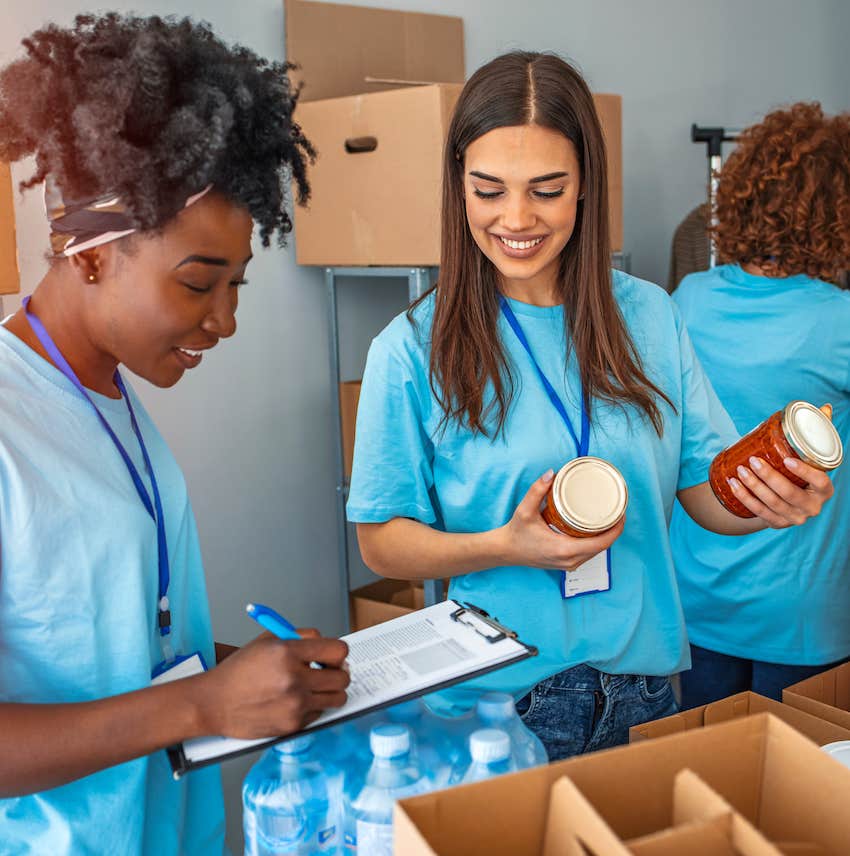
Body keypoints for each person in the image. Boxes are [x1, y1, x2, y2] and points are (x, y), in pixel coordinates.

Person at [345, 52, 833, 762]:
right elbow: (380, 539)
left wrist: (768, 497)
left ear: (585, 189)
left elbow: (705, 495)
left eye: (547, 189)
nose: (516, 218)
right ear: (458, 189)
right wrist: (503, 547)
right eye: (489, 190)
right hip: (494, 702)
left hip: (646, 690)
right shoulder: (410, 350)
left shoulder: (653, 319)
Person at [0, 14, 349, 854]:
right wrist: (203, 705)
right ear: (85, 253)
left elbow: (108, 639)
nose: (224, 320)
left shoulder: (107, 394)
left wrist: (244, 673)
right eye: (199, 284)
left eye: (236, 284)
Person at [669, 103, 850, 707]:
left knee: (708, 780)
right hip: (799, 606)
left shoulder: (688, 298)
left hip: (698, 590)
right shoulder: (837, 320)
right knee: (794, 791)